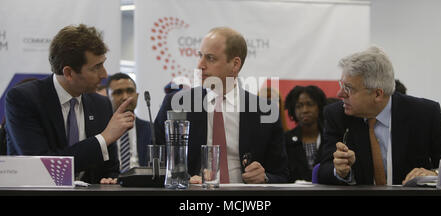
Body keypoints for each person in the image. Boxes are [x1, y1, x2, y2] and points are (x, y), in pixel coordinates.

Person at [154, 27, 289, 184]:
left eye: (210, 58)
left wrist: (265, 178)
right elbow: (154, 164)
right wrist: (183, 180)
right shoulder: (176, 104)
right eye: (200, 56)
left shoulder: (265, 110)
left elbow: (282, 175)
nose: (200, 65)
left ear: (235, 64)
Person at [5, 24, 135, 184]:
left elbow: (111, 168)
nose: (104, 74)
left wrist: (109, 180)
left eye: (103, 64)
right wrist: (103, 138)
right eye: (96, 67)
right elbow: (42, 167)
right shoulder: (24, 99)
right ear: (69, 73)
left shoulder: (101, 104)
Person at [318, 46, 441, 185]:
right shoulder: (337, 115)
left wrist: (433, 174)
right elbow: (322, 171)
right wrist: (340, 172)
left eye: (348, 88)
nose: (340, 94)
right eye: (342, 85)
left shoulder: (424, 114)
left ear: (377, 94)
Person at [106, 72, 152, 172]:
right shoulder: (101, 130)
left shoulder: (151, 129)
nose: (125, 97)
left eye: (130, 91)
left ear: (137, 95)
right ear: (107, 97)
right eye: (118, 92)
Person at [284, 85, 327, 182]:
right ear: (293, 110)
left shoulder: (330, 137)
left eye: (310, 104)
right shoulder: (285, 140)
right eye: (299, 106)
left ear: (319, 107)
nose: (305, 110)